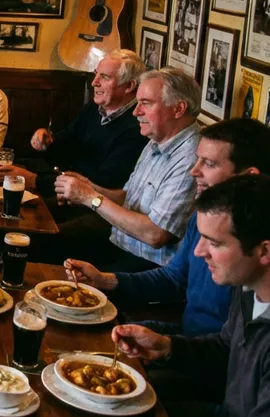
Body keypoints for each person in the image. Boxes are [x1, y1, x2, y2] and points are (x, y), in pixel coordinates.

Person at [112, 175, 270, 417]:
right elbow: (225, 348)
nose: (198, 251)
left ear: (265, 251)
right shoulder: (247, 289)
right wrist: (167, 346)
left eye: (214, 243)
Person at [65, 118, 270, 337]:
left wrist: (168, 344)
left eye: (209, 163)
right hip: (188, 343)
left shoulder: (255, 246)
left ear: (249, 176)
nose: (194, 171)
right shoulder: (203, 217)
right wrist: (105, 280)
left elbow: (229, 350)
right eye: (198, 160)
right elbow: (174, 278)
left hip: (202, 358)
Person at [54, 67, 201, 271]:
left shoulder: (192, 159)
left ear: (178, 109)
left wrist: (90, 198)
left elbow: (155, 235)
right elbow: (128, 198)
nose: (135, 111)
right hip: (118, 244)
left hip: (148, 267)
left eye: (146, 104)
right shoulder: (156, 139)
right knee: (42, 240)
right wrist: (89, 188)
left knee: (47, 252)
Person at [0, 49, 147, 199]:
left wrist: (34, 181)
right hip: (64, 185)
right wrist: (47, 141)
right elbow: (67, 143)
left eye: (105, 77)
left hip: (89, 205)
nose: (94, 82)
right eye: (96, 74)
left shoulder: (136, 129)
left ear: (129, 86)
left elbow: (101, 186)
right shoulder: (96, 108)